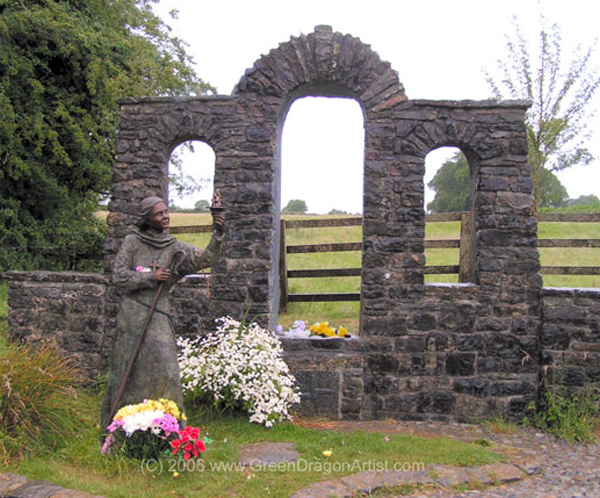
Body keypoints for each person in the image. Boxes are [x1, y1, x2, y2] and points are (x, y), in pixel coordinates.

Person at [100, 196, 224, 428]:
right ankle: (122, 425)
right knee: (129, 369)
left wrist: (217, 234)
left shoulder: (174, 247)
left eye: (166, 212)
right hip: (132, 315)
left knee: (167, 369)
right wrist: (150, 276)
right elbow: (118, 276)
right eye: (158, 214)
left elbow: (207, 258)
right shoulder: (133, 242)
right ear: (147, 218)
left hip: (158, 314)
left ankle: (169, 427)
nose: (165, 216)